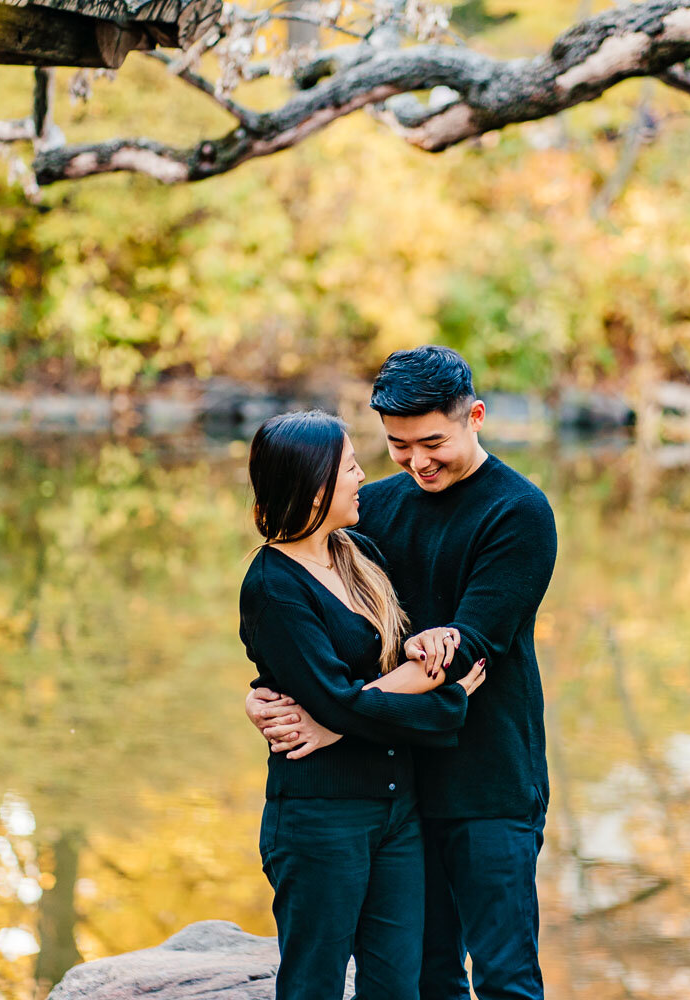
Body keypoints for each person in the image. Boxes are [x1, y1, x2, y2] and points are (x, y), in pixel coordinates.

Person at [248, 347, 558, 1000]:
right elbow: (314, 627)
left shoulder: (518, 513)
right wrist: (268, 695)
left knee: (506, 980)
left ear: (475, 417)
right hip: (400, 790)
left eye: (433, 443)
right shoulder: (369, 514)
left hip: (488, 787)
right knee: (425, 979)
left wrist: (333, 721)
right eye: (397, 445)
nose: (417, 462)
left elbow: (467, 653)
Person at [240, 409, 489, 1000]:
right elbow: (337, 702)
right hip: (321, 818)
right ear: (317, 485)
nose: (362, 478)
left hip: (396, 814)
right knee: (314, 986)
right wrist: (447, 702)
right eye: (351, 467)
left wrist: (414, 652)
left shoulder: (357, 553)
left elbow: (364, 683)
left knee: (397, 987)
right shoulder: (273, 586)